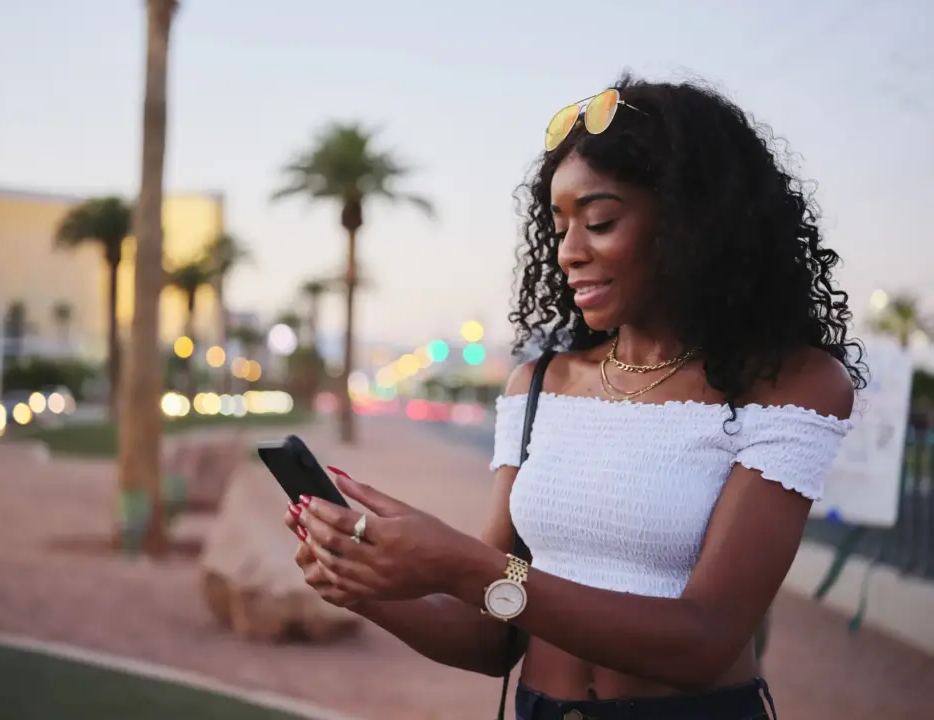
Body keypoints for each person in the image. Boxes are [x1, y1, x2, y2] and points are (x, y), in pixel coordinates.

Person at [283, 75, 867, 719]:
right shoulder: (539, 385)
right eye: (559, 226)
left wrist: (458, 566)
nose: (568, 253)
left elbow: (704, 641)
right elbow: (491, 636)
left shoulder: (788, 385)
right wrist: (368, 587)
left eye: (600, 222)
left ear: (690, 222)